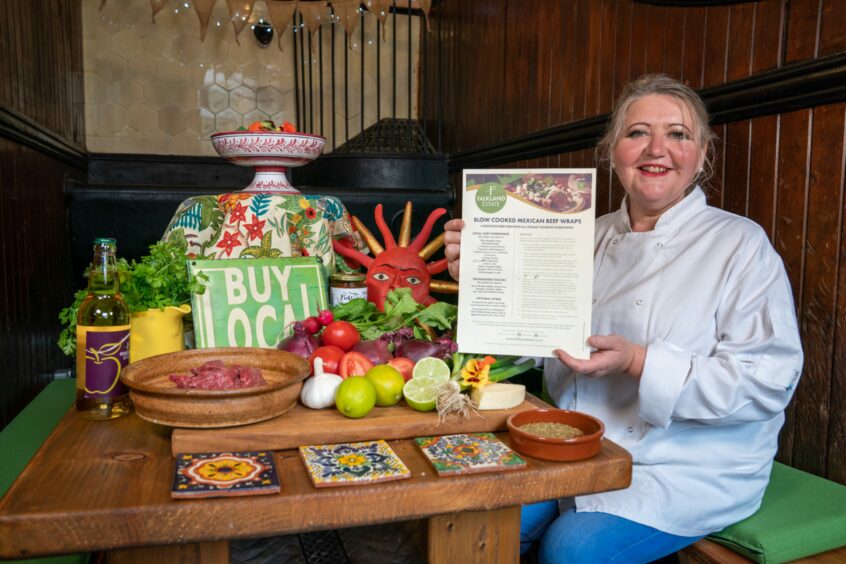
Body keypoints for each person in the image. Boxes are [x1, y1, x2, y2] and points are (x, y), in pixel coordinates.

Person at [443, 74, 803, 563]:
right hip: (574, 445)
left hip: (688, 467)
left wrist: (638, 361)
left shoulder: (741, 245)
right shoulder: (577, 235)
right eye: (637, 133)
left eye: (678, 134)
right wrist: (484, 281)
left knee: (571, 549)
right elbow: (531, 339)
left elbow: (768, 383)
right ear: (612, 150)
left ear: (702, 154)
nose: (657, 149)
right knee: (477, 511)